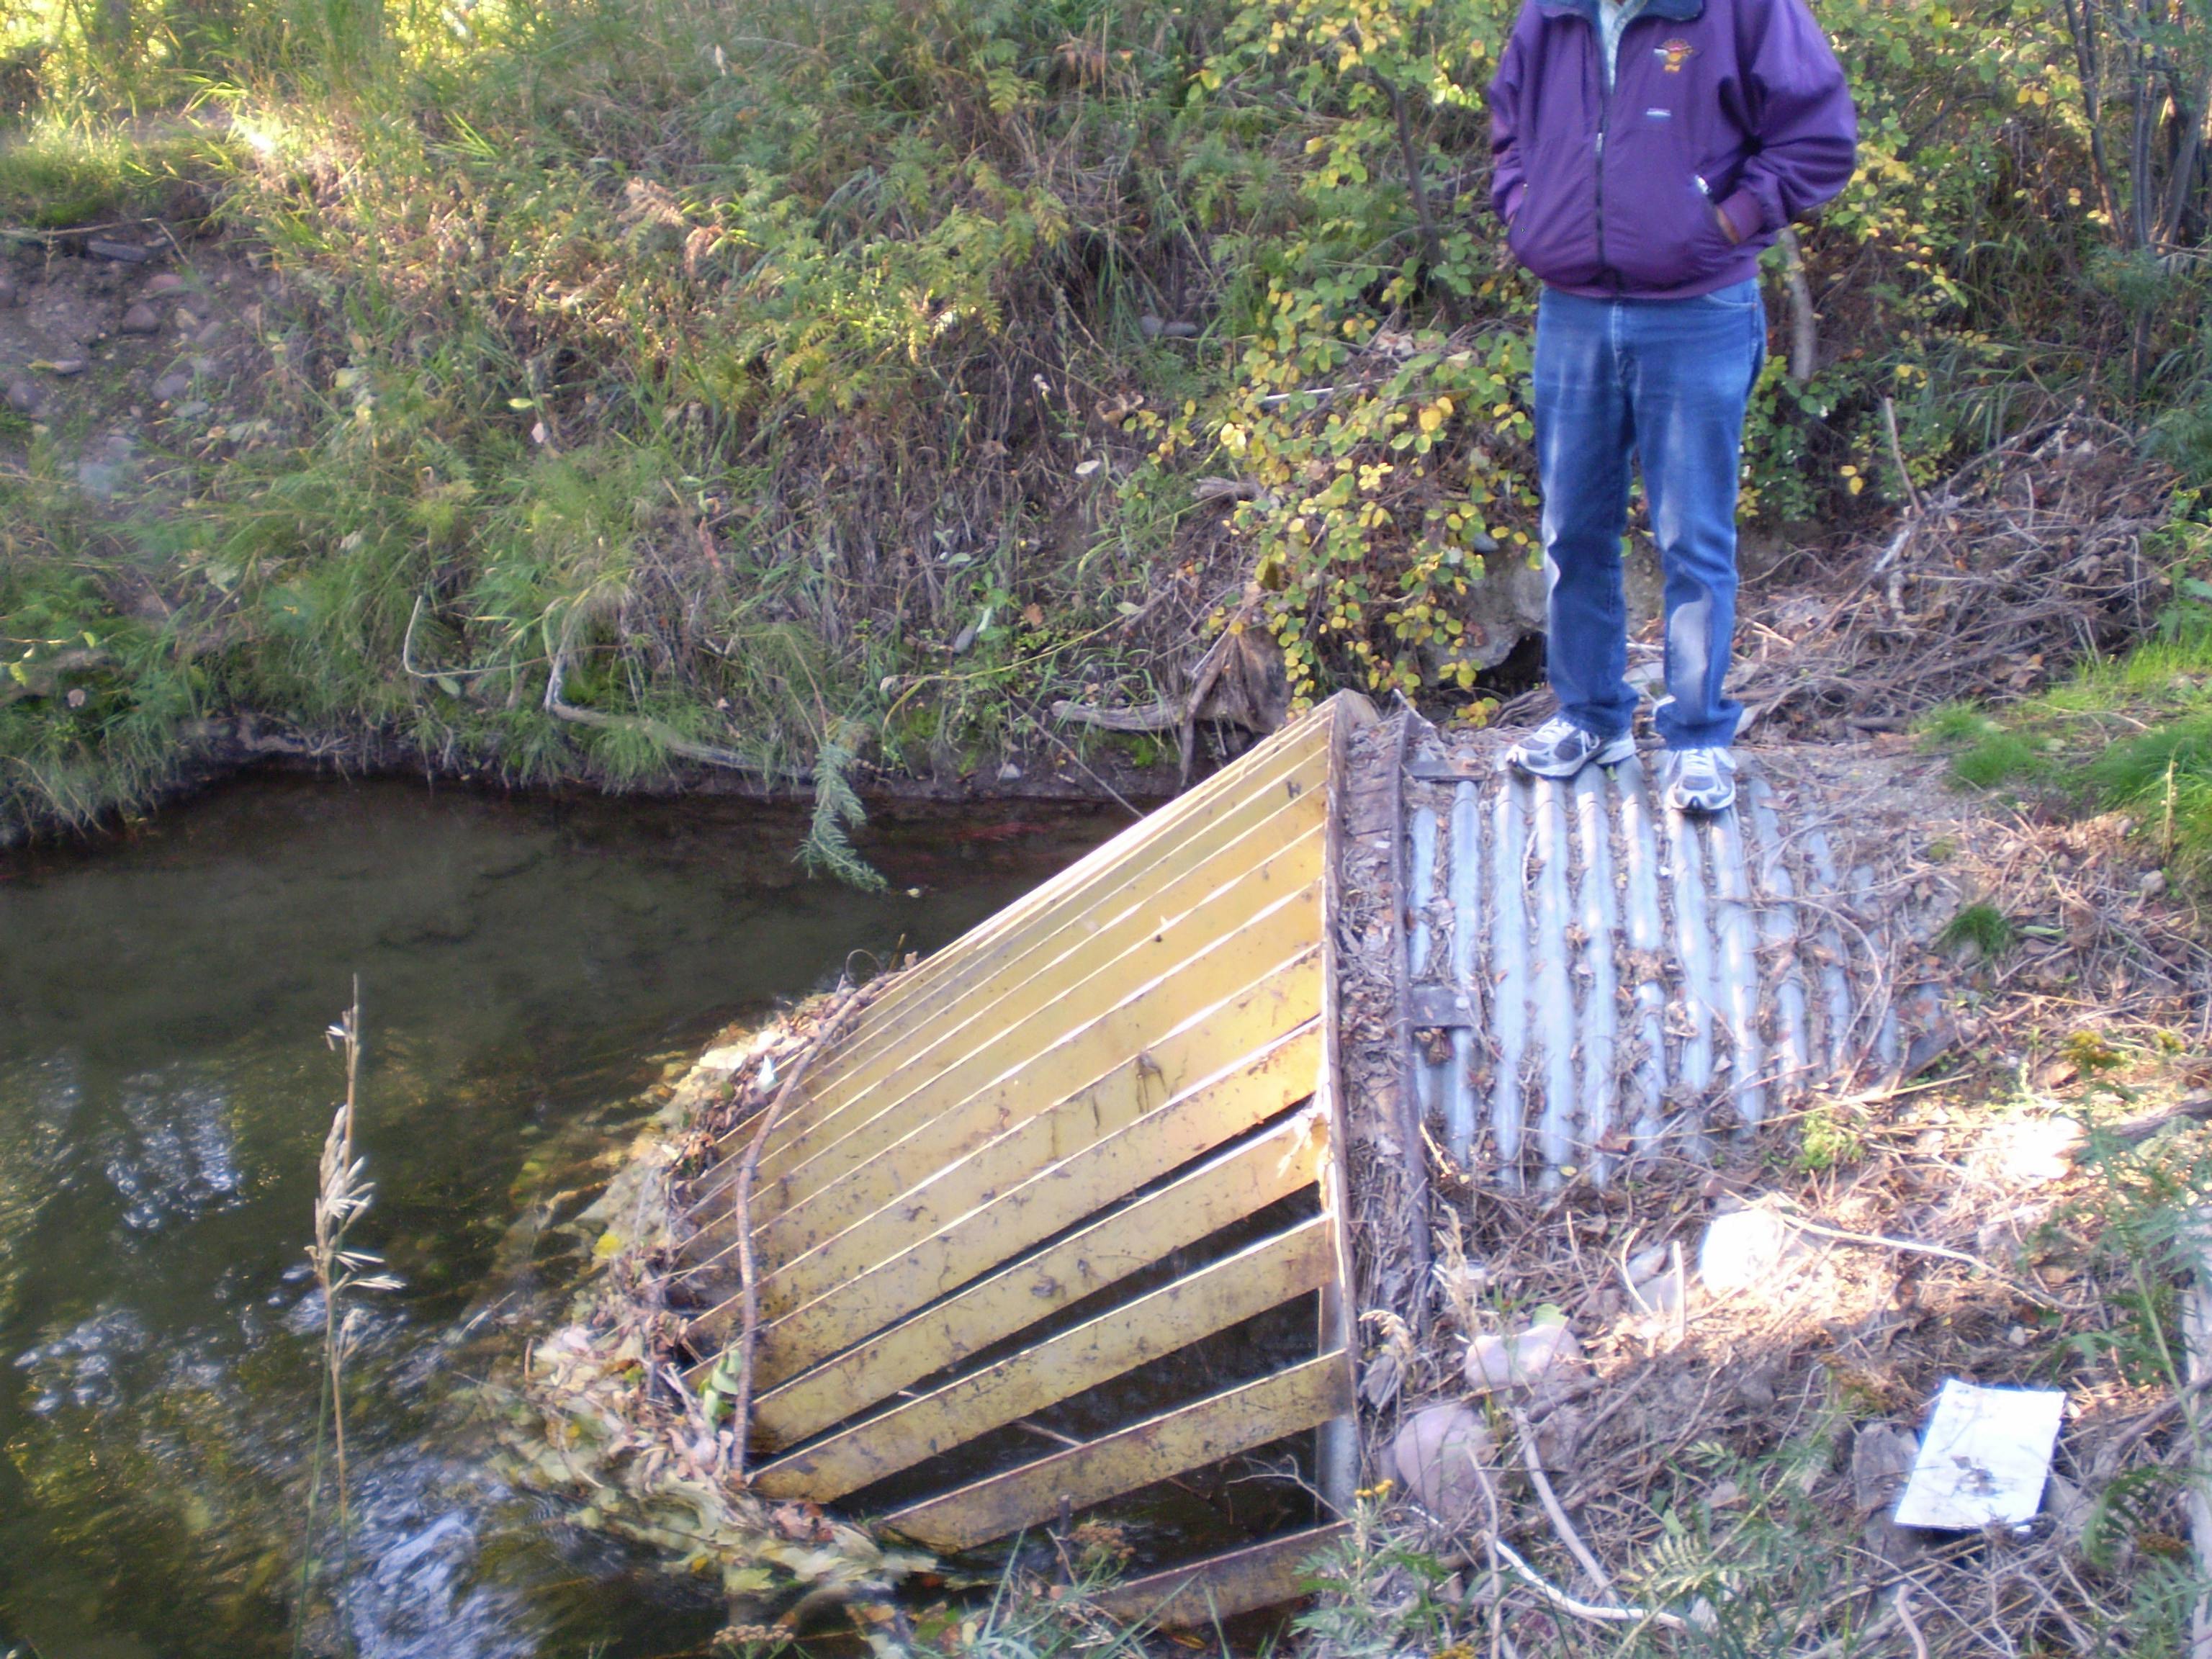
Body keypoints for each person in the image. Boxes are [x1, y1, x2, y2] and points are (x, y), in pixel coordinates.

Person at [1487, 0, 1856, 811]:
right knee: (1572, 529)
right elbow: (1509, 131)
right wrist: (1526, 214)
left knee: (1693, 535)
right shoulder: (1551, 16)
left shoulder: (1745, 11)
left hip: (1699, 309)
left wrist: (1727, 221)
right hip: (1573, 309)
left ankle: (1697, 736)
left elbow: (1818, 137)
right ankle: (1591, 715)